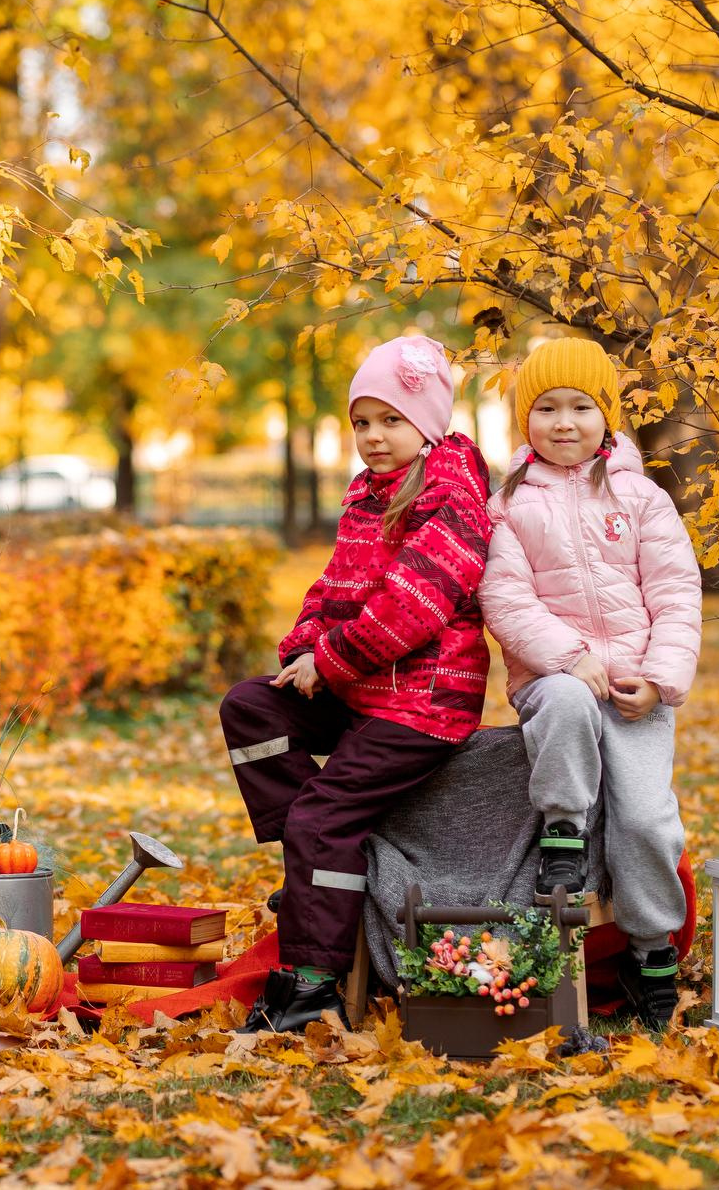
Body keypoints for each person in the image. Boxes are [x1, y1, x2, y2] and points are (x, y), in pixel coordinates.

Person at [219, 335, 494, 1033]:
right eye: (362, 422)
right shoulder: (366, 492)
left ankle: (313, 981)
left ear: (426, 423)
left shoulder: (452, 495)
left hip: (425, 704)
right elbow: (339, 583)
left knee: (322, 817)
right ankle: (312, 874)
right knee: (251, 706)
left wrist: (332, 659)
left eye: (391, 420)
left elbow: (411, 605)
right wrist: (302, 647)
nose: (374, 436)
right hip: (365, 690)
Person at [478, 336, 702, 1030]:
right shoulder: (511, 504)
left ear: (608, 416)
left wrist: (661, 677)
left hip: (635, 686)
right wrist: (569, 655)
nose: (565, 422)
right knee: (570, 699)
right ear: (526, 419)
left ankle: (651, 955)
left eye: (581, 406)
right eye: (547, 408)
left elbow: (676, 591)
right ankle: (564, 831)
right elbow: (505, 598)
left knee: (644, 820)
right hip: (555, 680)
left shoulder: (641, 497)